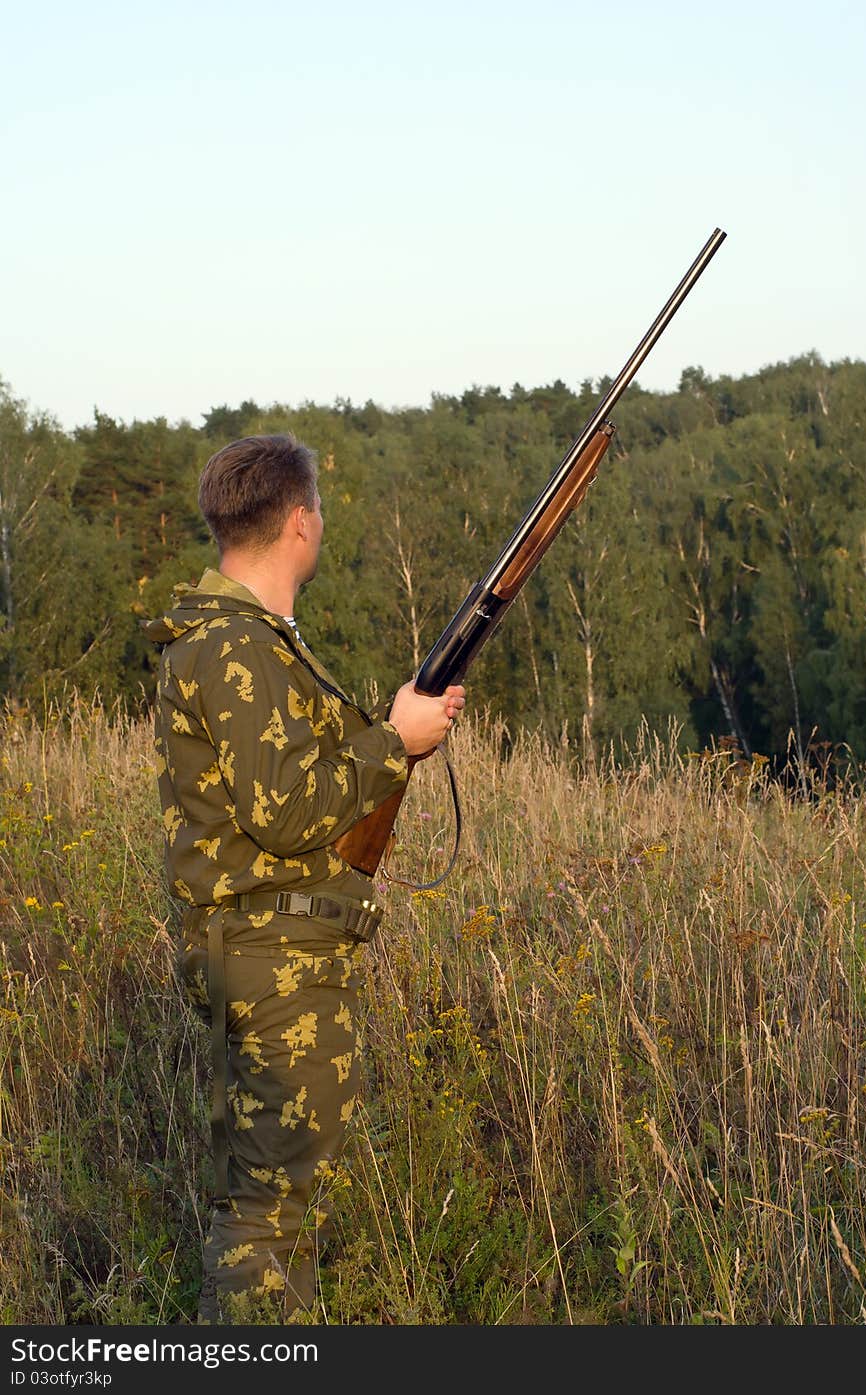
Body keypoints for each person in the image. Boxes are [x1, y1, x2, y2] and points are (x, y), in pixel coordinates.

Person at [145, 433, 465, 1323]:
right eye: (317, 510)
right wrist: (392, 740)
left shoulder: (235, 641)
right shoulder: (237, 647)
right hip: (271, 955)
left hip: (263, 946)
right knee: (267, 1219)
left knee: (263, 1207)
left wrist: (391, 731)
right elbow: (285, 809)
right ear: (299, 521)